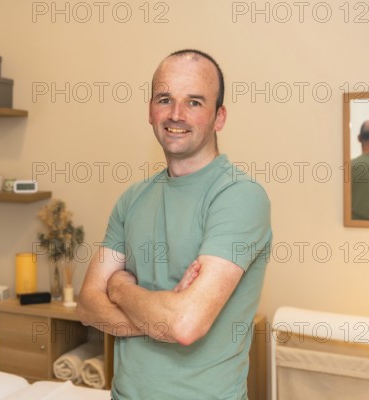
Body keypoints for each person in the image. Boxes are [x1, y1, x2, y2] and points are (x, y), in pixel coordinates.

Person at [77, 49, 272, 400]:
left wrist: (120, 289)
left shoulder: (239, 197)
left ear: (219, 117)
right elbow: (88, 305)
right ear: (150, 111)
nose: (176, 114)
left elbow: (184, 325)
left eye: (194, 102)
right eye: (165, 99)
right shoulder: (132, 198)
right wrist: (163, 316)